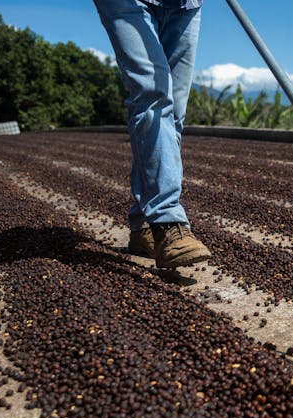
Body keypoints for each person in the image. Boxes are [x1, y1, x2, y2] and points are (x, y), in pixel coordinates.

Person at [92, 0, 211, 268]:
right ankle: (168, 222)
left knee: (174, 114)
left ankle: (143, 224)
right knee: (153, 94)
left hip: (186, 4)